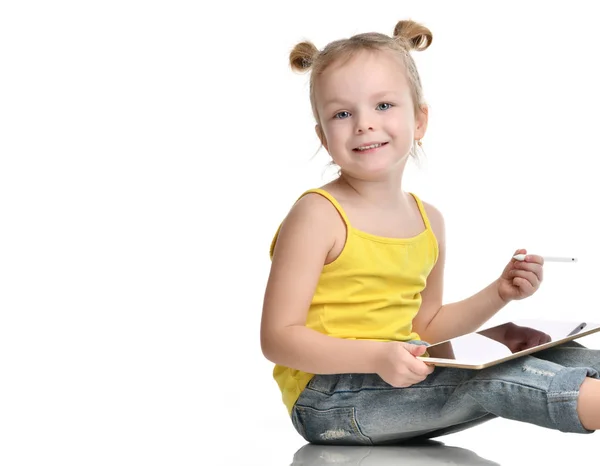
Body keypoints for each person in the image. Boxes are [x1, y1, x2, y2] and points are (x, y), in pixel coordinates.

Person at [260, 19, 600, 445]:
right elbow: (278, 339)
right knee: (494, 376)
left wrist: (499, 292)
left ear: (420, 120)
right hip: (329, 399)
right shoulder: (317, 215)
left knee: (563, 355)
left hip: (398, 373)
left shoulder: (428, 220)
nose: (364, 124)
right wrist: (376, 356)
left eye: (383, 105)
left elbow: (427, 326)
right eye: (342, 113)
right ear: (324, 137)